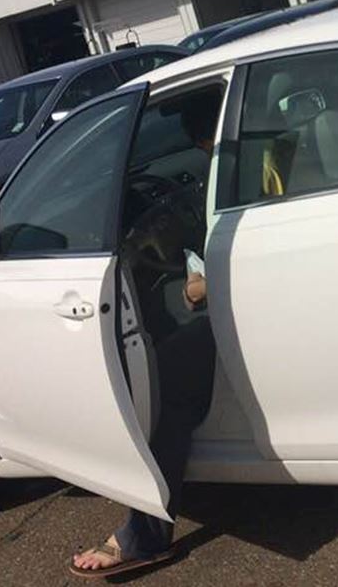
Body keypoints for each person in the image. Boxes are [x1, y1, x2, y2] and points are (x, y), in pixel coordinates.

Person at [70, 91, 222, 579]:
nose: (200, 150)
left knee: (168, 386)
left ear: (205, 138)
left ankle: (145, 536)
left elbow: (227, 272)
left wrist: (199, 285)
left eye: (199, 142)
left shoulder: (254, 167)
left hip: (244, 302)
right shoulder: (258, 160)